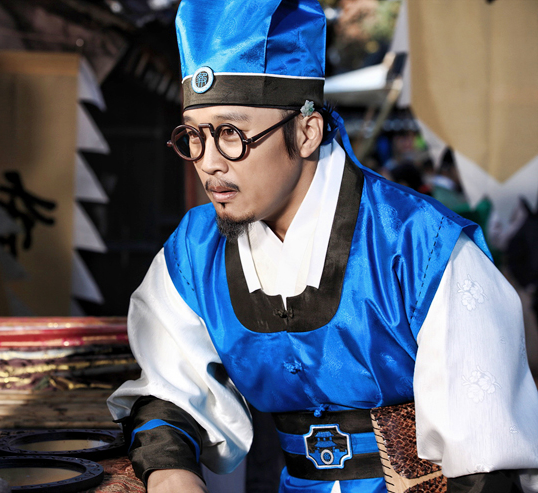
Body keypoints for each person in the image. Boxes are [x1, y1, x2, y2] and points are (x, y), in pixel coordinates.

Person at [107, 1, 538, 492]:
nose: (208, 163)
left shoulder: (420, 246)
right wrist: (173, 477)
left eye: (229, 133)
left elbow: (486, 459)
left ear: (307, 131)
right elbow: (171, 389)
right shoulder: (195, 251)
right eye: (194, 136)